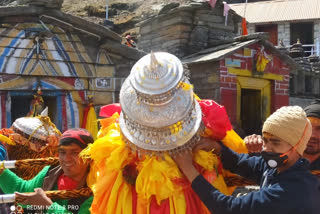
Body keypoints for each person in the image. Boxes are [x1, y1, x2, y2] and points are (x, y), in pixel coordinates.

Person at [173, 106, 320, 214]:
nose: (267, 149)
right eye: (265, 140)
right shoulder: (277, 167)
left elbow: (227, 208)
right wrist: (217, 147)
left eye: (275, 143)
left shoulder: (293, 189)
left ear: (297, 146)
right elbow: (239, 162)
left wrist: (188, 169)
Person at [0, 128, 94, 214]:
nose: (66, 158)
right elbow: (24, 191)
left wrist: (47, 205)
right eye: (62, 152)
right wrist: (2, 172)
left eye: (75, 152)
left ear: (89, 155)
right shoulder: (52, 171)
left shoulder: (98, 187)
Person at [245, 99, 320, 170]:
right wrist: (251, 148)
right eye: (308, 128)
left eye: (319, 129)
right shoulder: (276, 154)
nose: (312, 135)